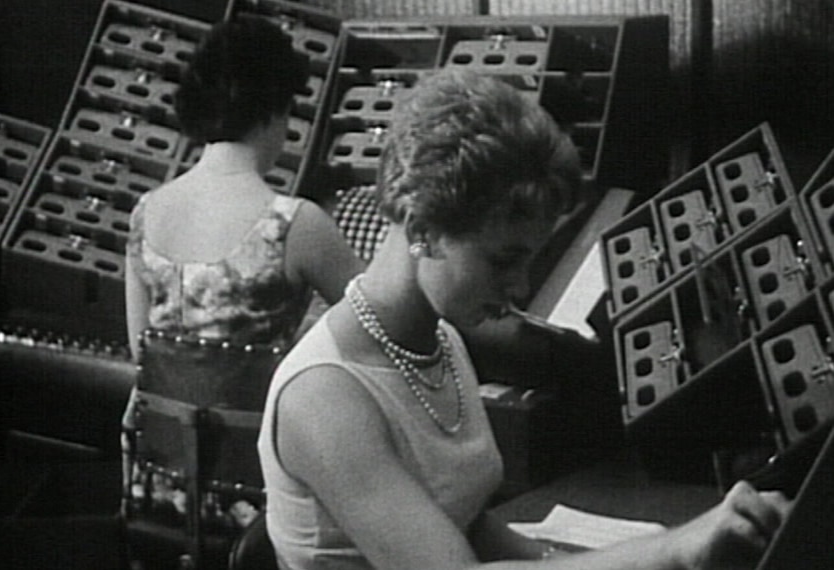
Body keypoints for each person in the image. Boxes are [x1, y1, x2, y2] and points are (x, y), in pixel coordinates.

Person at [257, 68, 791, 570]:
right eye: (503, 260)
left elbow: (466, 524)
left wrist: (589, 558)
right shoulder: (322, 397)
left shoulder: (440, 340)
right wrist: (673, 550)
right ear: (421, 229)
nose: (519, 289)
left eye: (530, 260)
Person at [121, 17, 364, 530]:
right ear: (277, 111)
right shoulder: (296, 224)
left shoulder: (147, 212)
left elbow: (143, 353)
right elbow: (382, 324)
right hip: (262, 506)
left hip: (160, 496)